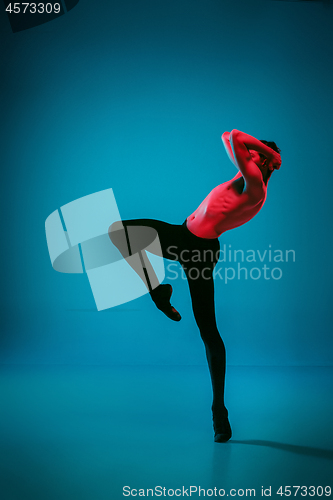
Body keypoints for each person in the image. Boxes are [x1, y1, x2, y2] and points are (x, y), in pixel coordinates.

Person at [108, 129, 281, 443]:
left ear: (267, 164)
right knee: (120, 233)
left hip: (199, 252)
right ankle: (158, 292)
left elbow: (233, 137)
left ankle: (219, 411)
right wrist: (267, 154)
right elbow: (230, 137)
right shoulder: (248, 178)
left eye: (258, 157)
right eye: (253, 154)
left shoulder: (255, 186)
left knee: (209, 333)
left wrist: (268, 155)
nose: (250, 157)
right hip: (181, 236)